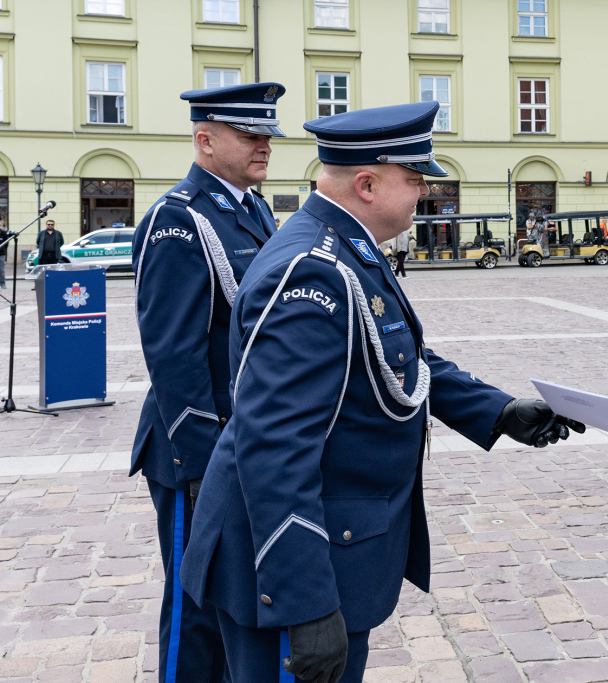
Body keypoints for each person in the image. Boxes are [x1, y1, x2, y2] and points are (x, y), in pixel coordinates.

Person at [179, 101, 584, 683]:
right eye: (415, 180)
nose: (423, 193)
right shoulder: (312, 271)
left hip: (329, 550)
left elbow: (393, 356)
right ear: (366, 184)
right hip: (288, 572)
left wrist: (499, 412)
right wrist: (306, 602)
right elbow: (275, 445)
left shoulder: (345, 245)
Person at [130, 82, 286, 683]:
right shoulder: (178, 219)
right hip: (194, 450)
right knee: (195, 607)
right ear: (205, 139)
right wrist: (199, 463)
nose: (265, 145)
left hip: (237, 445)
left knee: (228, 596)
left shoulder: (252, 209)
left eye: (268, 134)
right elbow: (172, 352)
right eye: (251, 135)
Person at [0, 217, 10, 289]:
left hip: (1, 254)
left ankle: (2, 283)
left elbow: (6, 243)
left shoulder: (3, 233)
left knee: (1, 270)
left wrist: (3, 249)